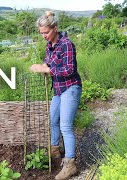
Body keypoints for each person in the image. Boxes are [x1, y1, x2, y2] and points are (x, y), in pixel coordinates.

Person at [30, 11, 82, 180]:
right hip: (58, 89)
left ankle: (70, 164)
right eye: (42, 33)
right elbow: (49, 62)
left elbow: (69, 69)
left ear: (55, 28)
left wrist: (47, 69)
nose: (44, 35)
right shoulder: (49, 46)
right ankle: (55, 151)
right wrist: (43, 65)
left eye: (46, 32)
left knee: (65, 126)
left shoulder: (67, 44)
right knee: (53, 120)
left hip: (70, 88)